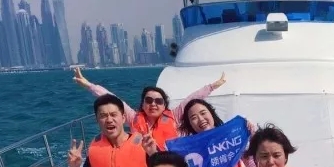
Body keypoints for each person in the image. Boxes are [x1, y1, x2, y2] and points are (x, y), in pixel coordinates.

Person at [73, 67, 227, 146]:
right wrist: (89, 85)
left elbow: (192, 98)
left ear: (164, 105)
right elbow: (113, 99)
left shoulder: (174, 115)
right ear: (143, 104)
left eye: (158, 101)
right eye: (149, 100)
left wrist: (212, 86)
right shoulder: (133, 118)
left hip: (169, 165)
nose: (153, 104)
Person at [177, 98, 257, 167]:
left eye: (203, 113)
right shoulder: (188, 150)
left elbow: (253, 164)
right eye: (193, 118)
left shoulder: (231, 136)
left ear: (211, 113)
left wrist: (252, 136)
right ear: (190, 124)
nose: (200, 119)